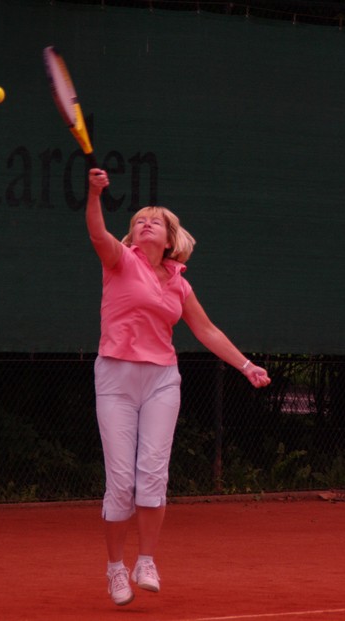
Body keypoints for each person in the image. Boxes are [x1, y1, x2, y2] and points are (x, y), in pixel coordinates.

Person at [85, 167, 271, 606]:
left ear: (169, 239)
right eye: (139, 221)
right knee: (121, 482)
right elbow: (96, 232)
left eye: (156, 221)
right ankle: (115, 569)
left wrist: (246, 365)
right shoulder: (119, 260)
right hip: (116, 377)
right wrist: (94, 194)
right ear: (132, 234)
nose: (146, 224)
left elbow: (206, 331)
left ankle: (145, 561)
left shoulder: (179, 283)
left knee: (153, 474)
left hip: (162, 380)